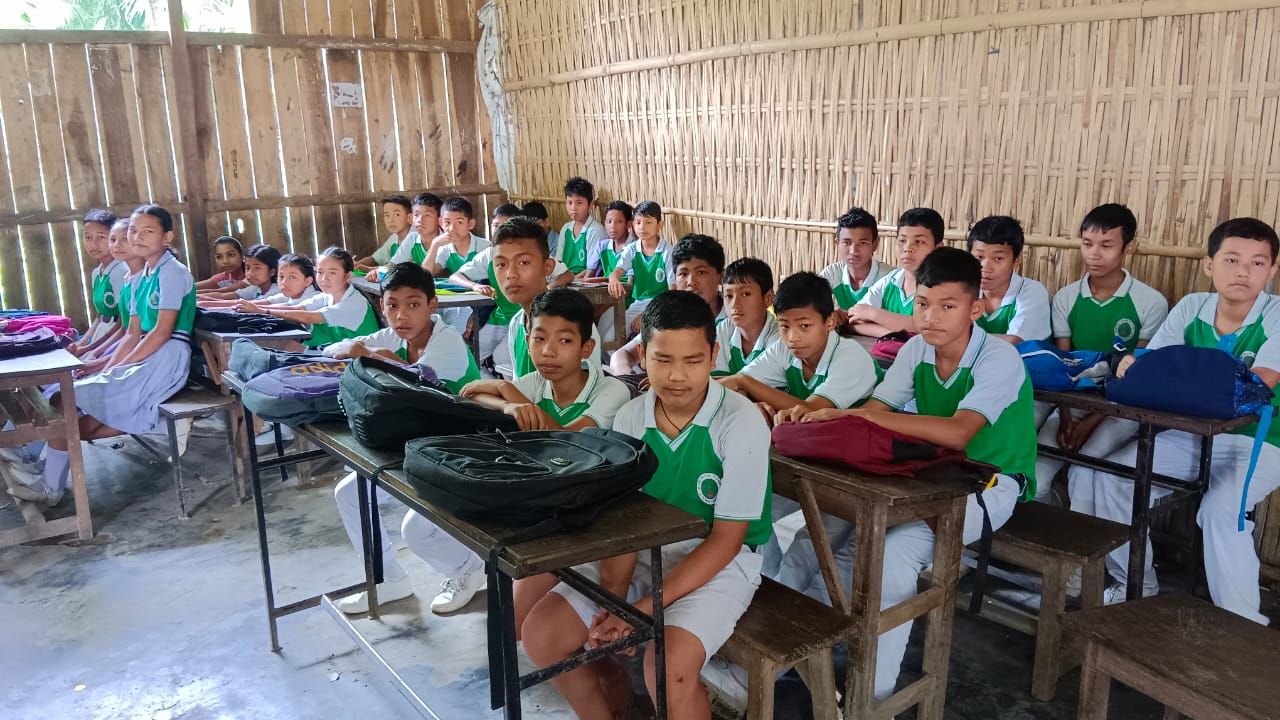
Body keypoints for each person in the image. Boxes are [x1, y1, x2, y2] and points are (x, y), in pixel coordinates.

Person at [796, 246, 1035, 699]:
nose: (931, 317)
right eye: (923, 303)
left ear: (975, 309)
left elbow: (959, 433)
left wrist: (856, 416)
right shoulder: (916, 350)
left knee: (894, 554)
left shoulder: (998, 359)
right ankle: (805, 648)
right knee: (841, 534)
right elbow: (877, 408)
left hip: (991, 484)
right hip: (933, 474)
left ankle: (872, 694)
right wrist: (849, 416)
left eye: (948, 306)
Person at [522, 290, 771, 720]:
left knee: (668, 669)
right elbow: (626, 521)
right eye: (663, 360)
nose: (677, 376)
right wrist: (614, 604)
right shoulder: (631, 417)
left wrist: (638, 613)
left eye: (693, 361)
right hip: (642, 553)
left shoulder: (740, 421)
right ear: (642, 356)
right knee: (542, 634)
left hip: (718, 563)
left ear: (714, 356)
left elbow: (727, 542)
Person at [1086, 218, 1280, 618]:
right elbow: (1153, 370)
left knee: (1222, 510)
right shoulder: (1192, 307)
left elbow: (1256, 388)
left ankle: (1243, 623)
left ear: (1272, 271)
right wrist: (1198, 380)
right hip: (1190, 434)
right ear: (1209, 264)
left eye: (1258, 263)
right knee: (1111, 478)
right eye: (1232, 259)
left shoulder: (1277, 316)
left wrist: (1183, 377)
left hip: (1261, 443)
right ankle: (1137, 584)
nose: (1243, 271)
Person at [8, 206, 198, 508]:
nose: (137, 237)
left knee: (66, 402)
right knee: (61, 400)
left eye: (147, 231)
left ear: (167, 237)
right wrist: (104, 365)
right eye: (133, 230)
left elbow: (161, 333)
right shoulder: (139, 278)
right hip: (145, 353)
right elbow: (131, 333)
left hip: (165, 358)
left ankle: (50, 485)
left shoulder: (172, 272)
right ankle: (49, 475)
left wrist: (114, 368)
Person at [328, 263, 487, 614]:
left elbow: (417, 380)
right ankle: (389, 580)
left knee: (416, 529)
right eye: (392, 305)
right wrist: (365, 351)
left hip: (463, 450)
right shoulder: (394, 338)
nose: (402, 315)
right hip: (416, 443)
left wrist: (371, 356)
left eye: (413, 304)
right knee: (349, 493)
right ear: (381, 306)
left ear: (433, 305)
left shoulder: (447, 341)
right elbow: (336, 349)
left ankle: (468, 569)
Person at [1040, 204, 1168, 511]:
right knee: (1036, 478)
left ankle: (1086, 542)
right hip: (1073, 402)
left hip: (1122, 410)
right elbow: (1064, 365)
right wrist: (1067, 416)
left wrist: (1093, 419)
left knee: (1084, 469)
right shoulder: (1067, 297)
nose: (1094, 254)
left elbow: (1137, 374)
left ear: (1129, 247)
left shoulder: (1151, 302)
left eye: (1106, 245)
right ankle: (1054, 529)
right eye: (1087, 244)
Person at [720, 271, 878, 423]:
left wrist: (744, 382)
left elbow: (811, 410)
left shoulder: (851, 357)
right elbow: (736, 385)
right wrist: (751, 403)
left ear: (830, 322)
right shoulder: (783, 349)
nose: (792, 338)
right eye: (784, 326)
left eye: (804, 326)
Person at [448, 217, 571, 370]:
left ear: (548, 267)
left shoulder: (569, 322)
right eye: (501, 265)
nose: (510, 274)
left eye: (523, 263)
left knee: (499, 357)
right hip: (502, 320)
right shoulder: (517, 324)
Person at [607, 234, 727, 376]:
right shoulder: (668, 315)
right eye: (683, 274)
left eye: (701, 272)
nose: (691, 282)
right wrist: (629, 378)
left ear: (720, 277)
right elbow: (622, 355)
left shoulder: (734, 317)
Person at [244, 247, 378, 349]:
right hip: (339, 348)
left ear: (348, 276)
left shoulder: (354, 302)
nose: (324, 278)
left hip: (361, 358)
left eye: (332, 273)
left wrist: (262, 311)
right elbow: (296, 308)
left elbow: (307, 317)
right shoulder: (328, 295)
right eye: (320, 272)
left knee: (289, 346)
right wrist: (255, 308)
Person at [851, 207, 945, 337]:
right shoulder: (890, 281)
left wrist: (874, 314)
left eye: (919, 241)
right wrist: (890, 334)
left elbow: (926, 326)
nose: (907, 248)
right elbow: (854, 319)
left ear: (938, 248)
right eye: (902, 240)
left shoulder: (943, 286)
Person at [964, 215, 1051, 344]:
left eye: (998, 258)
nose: (985, 267)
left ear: (1017, 260)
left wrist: (960, 339)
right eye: (979, 257)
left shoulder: (1032, 292)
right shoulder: (963, 291)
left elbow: (1014, 341)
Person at [606, 200, 676, 338]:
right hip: (638, 304)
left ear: (660, 225)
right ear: (632, 224)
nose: (642, 227)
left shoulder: (667, 252)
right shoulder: (632, 249)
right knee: (610, 338)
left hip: (662, 306)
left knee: (644, 340)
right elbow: (617, 271)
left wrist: (646, 315)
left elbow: (673, 292)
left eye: (648, 222)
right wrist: (613, 279)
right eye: (638, 222)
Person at [819, 207, 892, 324]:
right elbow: (807, 305)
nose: (854, 251)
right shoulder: (833, 273)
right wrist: (831, 313)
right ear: (837, 243)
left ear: (875, 244)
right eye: (847, 243)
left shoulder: (889, 277)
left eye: (862, 243)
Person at [68, 209, 124, 355]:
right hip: (101, 334)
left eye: (101, 237)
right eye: (88, 237)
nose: (93, 244)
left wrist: (90, 348)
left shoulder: (121, 271)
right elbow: (99, 317)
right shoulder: (97, 273)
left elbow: (124, 322)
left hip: (117, 339)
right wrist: (81, 343)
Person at [714, 258, 778, 376]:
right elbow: (712, 380)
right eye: (729, 296)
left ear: (768, 298)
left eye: (745, 294)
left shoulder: (779, 337)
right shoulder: (724, 330)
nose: (734, 304)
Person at [422, 196, 489, 278]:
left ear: (471, 224)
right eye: (447, 222)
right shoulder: (444, 249)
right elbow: (426, 275)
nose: (451, 228)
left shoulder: (486, 247)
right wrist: (434, 244)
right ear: (441, 223)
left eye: (459, 222)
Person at [196, 244, 280, 306]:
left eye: (257, 268)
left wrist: (205, 302)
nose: (250, 273)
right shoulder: (255, 289)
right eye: (247, 268)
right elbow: (223, 296)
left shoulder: (277, 290)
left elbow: (248, 305)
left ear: (272, 271)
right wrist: (195, 298)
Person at [557, 176, 606, 278]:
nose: (573, 208)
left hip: (582, 282)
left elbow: (591, 270)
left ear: (590, 205)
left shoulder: (596, 230)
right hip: (564, 279)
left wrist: (570, 281)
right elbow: (559, 261)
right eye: (570, 202)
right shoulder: (565, 229)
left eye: (579, 203)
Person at [239, 253, 320, 309]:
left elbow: (288, 308)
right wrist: (239, 305)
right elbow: (264, 302)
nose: (284, 282)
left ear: (308, 281)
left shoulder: (315, 297)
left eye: (292, 277)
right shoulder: (289, 294)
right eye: (281, 277)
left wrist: (257, 309)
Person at [355, 195, 416, 270]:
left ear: (409, 217)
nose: (391, 220)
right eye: (387, 215)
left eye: (397, 215)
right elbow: (375, 259)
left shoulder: (415, 237)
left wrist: (369, 269)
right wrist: (357, 264)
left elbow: (394, 267)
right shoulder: (394, 238)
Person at [587, 199, 634, 280]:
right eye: (609, 221)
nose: (612, 226)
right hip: (603, 287)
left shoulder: (634, 248)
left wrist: (604, 280)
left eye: (619, 222)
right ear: (605, 223)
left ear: (628, 224)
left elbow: (630, 284)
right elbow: (589, 275)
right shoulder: (602, 246)